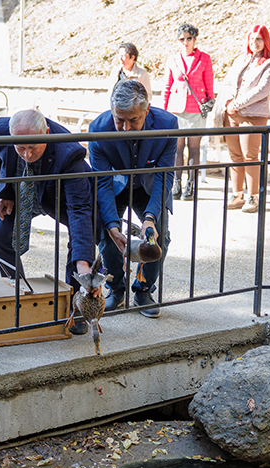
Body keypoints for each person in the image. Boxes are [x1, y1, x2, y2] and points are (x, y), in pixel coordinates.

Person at [0, 109, 96, 332]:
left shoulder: (70, 152)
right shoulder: (0, 131)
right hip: (21, 193)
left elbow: (79, 210)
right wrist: (2, 192)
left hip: (60, 197)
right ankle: (16, 293)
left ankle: (75, 307)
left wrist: (83, 263)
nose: (26, 154)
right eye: (20, 148)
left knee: (81, 240)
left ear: (46, 132)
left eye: (33, 147)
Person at [88, 80, 177, 319]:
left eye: (133, 120)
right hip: (115, 186)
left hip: (148, 186)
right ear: (111, 111)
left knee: (160, 235)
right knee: (106, 236)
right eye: (119, 120)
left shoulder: (168, 124)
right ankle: (116, 287)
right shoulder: (97, 129)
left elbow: (164, 176)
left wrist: (150, 218)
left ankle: (144, 288)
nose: (125, 127)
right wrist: (111, 225)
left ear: (147, 111)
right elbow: (102, 182)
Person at [215, 25, 270, 214]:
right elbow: (227, 82)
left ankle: (253, 196)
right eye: (252, 39)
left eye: (259, 39)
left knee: (250, 156)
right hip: (231, 114)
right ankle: (237, 194)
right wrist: (228, 102)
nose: (255, 43)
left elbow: (262, 90)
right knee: (235, 155)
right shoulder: (240, 59)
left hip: (253, 116)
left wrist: (238, 104)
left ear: (265, 40)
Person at [163, 23, 213, 201]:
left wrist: (209, 102)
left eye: (189, 38)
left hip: (195, 108)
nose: (185, 42)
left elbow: (209, 86)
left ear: (195, 39)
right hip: (175, 109)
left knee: (194, 149)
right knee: (176, 149)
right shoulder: (172, 59)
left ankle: (191, 184)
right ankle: (176, 183)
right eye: (182, 39)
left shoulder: (204, 58)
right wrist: (164, 109)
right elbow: (168, 86)